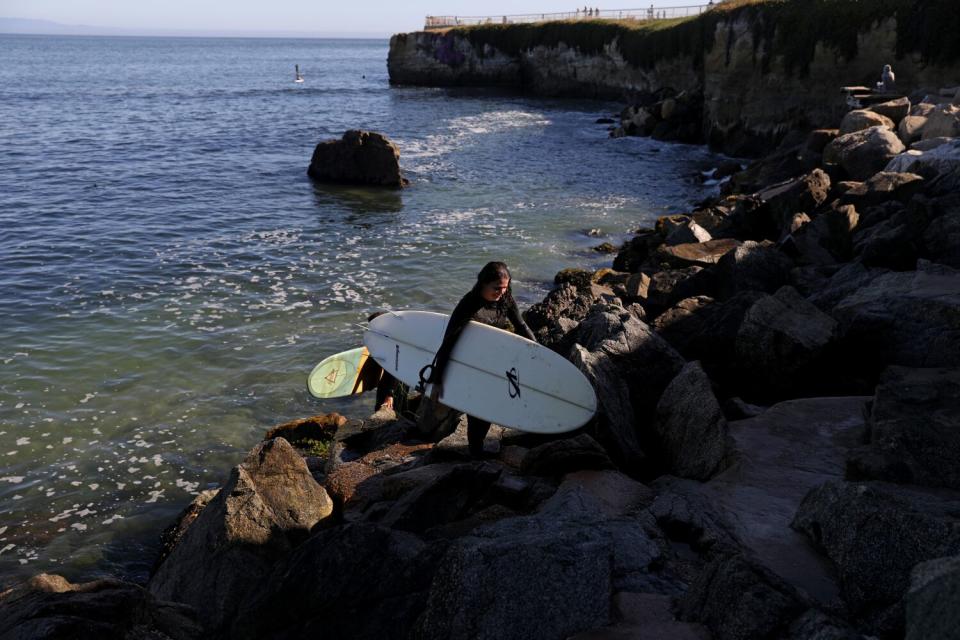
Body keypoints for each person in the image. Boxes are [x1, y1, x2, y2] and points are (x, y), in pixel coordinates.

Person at [426, 261, 535, 457]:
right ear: (482, 283)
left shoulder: (506, 299)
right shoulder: (468, 304)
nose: (501, 292)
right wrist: (437, 379)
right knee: (478, 409)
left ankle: (477, 449)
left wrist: (539, 351)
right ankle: (475, 452)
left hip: (495, 361)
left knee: (489, 408)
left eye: (505, 287)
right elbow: (448, 342)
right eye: (496, 288)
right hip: (470, 364)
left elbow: (521, 325)